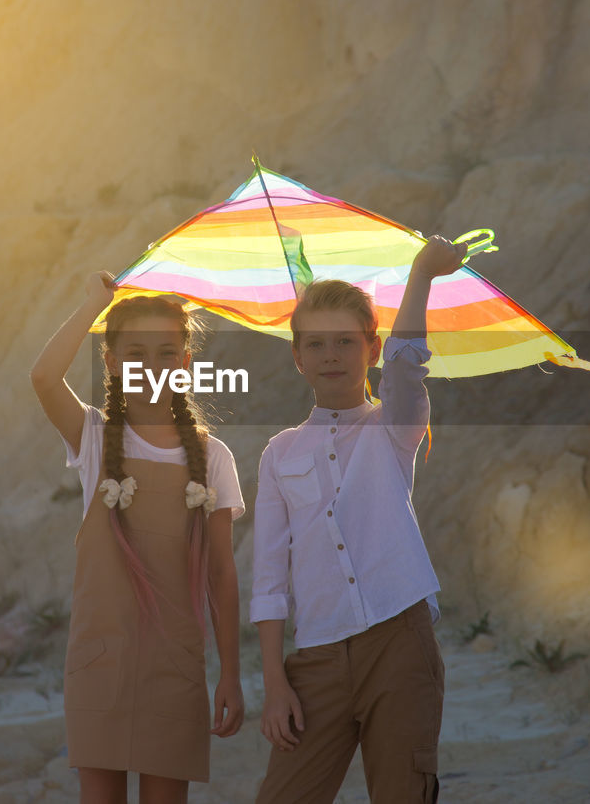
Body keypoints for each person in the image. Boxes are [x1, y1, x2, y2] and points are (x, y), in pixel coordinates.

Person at [250, 236, 466, 803]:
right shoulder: (279, 454)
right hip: (316, 658)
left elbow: (407, 367)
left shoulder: (393, 427)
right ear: (296, 357)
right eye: (315, 344)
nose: (330, 355)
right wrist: (275, 685)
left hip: (400, 642)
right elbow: (270, 582)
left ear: (371, 347)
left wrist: (421, 275)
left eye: (346, 341)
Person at [30, 271, 245, 804]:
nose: (152, 365)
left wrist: (232, 677)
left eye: (167, 351)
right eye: (134, 352)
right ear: (109, 362)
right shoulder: (96, 438)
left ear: (187, 363)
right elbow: (43, 378)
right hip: (99, 661)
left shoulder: (214, 457)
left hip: (175, 664)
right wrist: (94, 307)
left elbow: (221, 574)